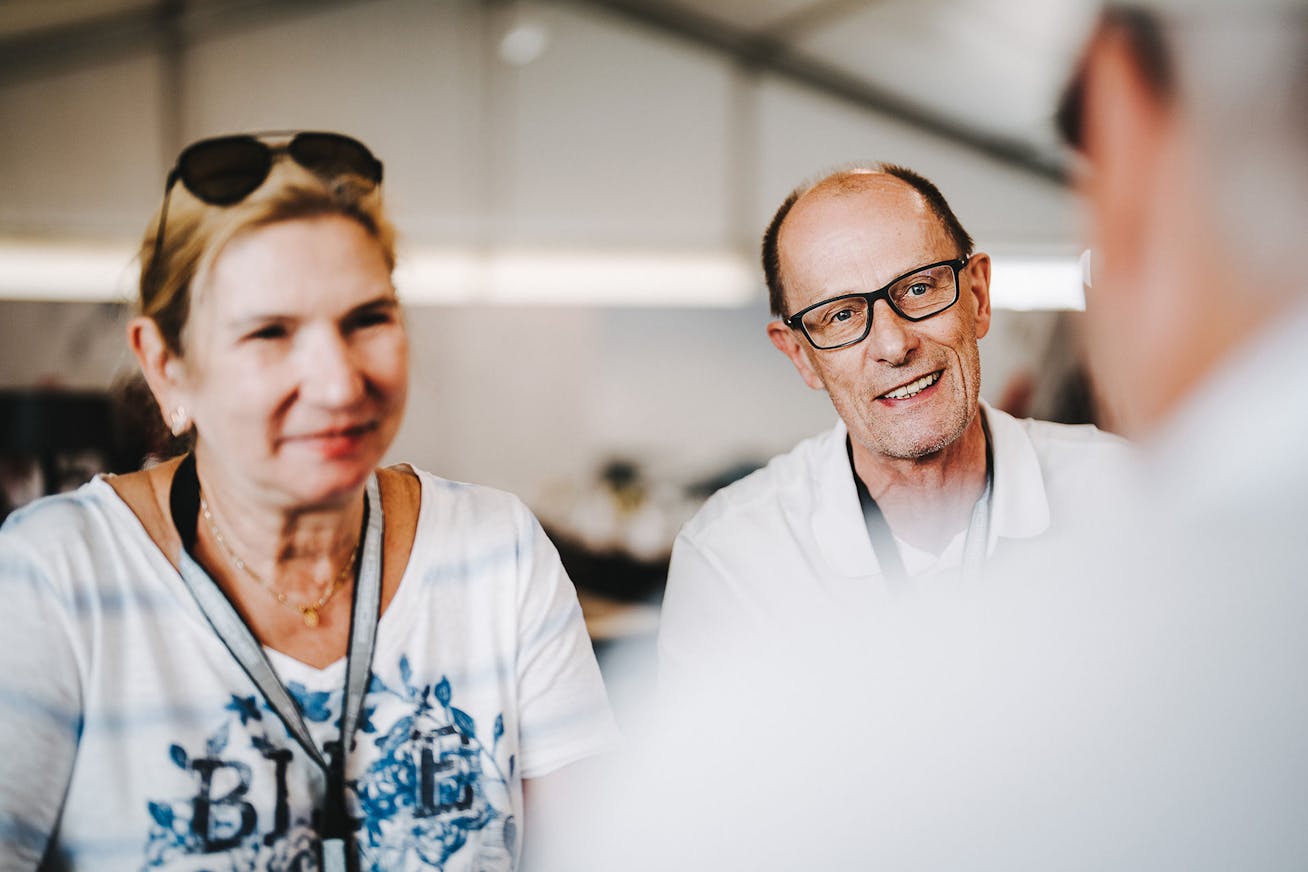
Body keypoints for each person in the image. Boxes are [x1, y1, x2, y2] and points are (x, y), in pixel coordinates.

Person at [0, 132, 615, 871]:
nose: (337, 383)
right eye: (270, 332)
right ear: (167, 367)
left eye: (367, 319)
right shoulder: (54, 578)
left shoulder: (497, 552)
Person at [658, 162, 1129, 686]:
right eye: (840, 316)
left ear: (977, 296)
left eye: (919, 289)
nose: (893, 344)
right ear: (800, 357)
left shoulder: (1133, 498)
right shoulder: (733, 563)